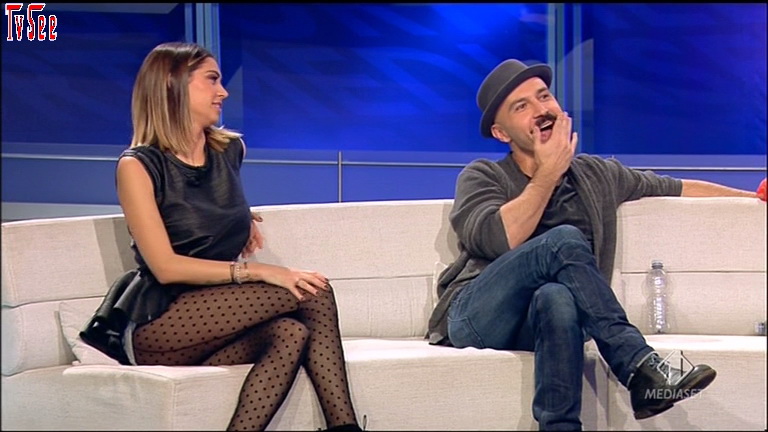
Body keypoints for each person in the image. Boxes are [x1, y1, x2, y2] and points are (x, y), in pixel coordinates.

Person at [426, 58, 766, 431]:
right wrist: (547, 174)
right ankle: (638, 366)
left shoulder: (596, 175)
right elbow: (496, 239)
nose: (541, 110)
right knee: (562, 241)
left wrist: (753, 198)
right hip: (478, 315)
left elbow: (677, 188)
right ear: (501, 133)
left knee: (556, 297)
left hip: (542, 319)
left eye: (544, 96)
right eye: (522, 107)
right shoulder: (483, 175)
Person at [92, 41, 363, 432]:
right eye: (212, 80)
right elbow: (165, 267)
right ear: (171, 84)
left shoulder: (230, 150)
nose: (223, 92)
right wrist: (260, 271)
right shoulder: (138, 166)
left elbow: (205, 204)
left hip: (219, 315)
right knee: (313, 291)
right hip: (162, 320)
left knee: (290, 333)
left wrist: (239, 219)